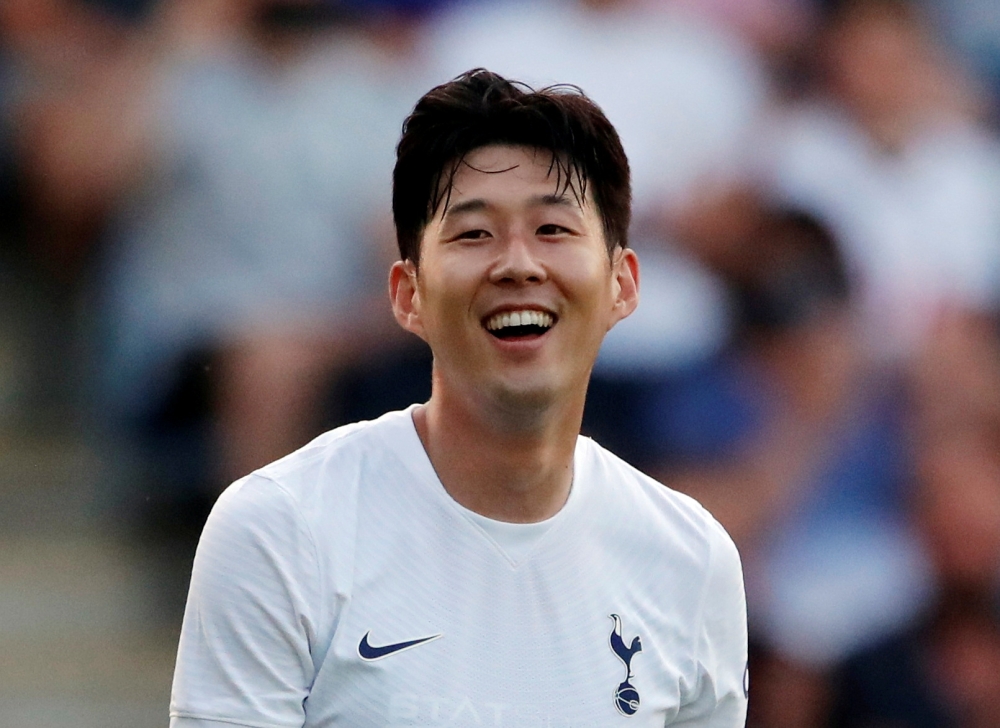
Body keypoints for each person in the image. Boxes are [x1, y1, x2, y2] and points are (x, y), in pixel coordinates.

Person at [168, 69, 748, 728]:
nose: (518, 264)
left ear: (623, 284)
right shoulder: (280, 529)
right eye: (474, 234)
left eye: (553, 229)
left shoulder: (691, 560)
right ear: (407, 295)